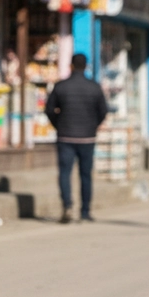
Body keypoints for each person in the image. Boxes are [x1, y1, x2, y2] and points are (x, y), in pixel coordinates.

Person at [45, 53, 108, 224]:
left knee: (65, 173)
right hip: (87, 138)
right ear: (85, 66)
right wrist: (92, 125)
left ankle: (67, 206)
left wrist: (59, 125)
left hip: (65, 137)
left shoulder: (60, 87)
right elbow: (103, 111)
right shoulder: (94, 87)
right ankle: (85, 211)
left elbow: (49, 110)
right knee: (86, 175)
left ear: (71, 66)